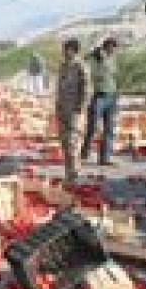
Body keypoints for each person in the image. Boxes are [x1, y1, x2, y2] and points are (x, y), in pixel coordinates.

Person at [81, 37, 120, 166]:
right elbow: (85, 62)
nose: (113, 50)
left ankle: (105, 158)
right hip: (99, 97)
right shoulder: (96, 59)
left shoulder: (112, 60)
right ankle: (84, 154)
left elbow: (113, 73)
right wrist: (95, 53)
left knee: (109, 129)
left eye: (115, 48)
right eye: (111, 47)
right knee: (92, 127)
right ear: (106, 47)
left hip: (111, 96)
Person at [56, 38, 89, 183]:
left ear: (73, 50)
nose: (63, 51)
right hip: (63, 108)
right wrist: (58, 105)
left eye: (66, 49)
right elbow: (60, 88)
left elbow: (86, 89)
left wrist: (81, 108)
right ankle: (68, 172)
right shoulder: (63, 66)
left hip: (75, 110)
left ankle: (74, 173)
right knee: (64, 142)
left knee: (73, 142)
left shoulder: (81, 66)